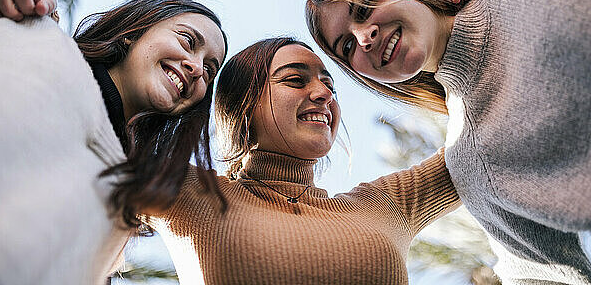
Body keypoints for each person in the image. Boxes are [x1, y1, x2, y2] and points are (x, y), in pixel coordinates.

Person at [305, 0, 591, 284]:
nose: (365, 36)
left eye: (364, 8)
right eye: (348, 47)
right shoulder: (473, 160)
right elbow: (543, 276)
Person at [146, 37, 460, 285]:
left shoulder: (386, 205)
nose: (324, 93)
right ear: (243, 105)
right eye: (296, 80)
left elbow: (486, 142)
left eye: (330, 86)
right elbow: (103, 124)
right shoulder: (190, 194)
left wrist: (456, 14)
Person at [0, 0, 227, 285]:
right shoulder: (37, 45)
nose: (197, 68)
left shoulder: (122, 197)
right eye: (187, 41)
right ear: (134, 32)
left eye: (209, 70)